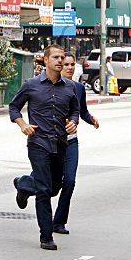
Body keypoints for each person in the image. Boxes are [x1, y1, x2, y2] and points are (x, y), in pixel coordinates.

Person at [9, 44, 80, 251]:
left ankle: (23, 185)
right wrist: (23, 124)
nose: (60, 61)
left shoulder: (69, 87)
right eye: (56, 57)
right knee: (43, 190)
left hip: (60, 143)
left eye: (62, 57)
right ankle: (46, 236)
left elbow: (75, 109)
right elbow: (14, 107)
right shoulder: (31, 84)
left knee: (55, 187)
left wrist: (74, 121)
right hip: (38, 142)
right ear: (46, 60)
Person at [52, 52, 99, 235]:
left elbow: (82, 112)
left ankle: (59, 222)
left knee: (69, 181)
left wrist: (91, 119)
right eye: (66, 65)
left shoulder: (79, 88)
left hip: (71, 142)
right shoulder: (52, 87)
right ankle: (24, 184)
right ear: (59, 67)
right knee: (48, 182)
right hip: (52, 142)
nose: (70, 68)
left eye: (72, 64)